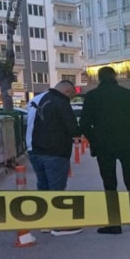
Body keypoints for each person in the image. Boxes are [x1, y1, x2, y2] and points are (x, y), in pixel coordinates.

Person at [80, 66, 130, 234]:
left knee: (109, 184)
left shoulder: (92, 96)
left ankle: (115, 224)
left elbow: (84, 124)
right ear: (115, 76)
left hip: (104, 146)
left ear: (99, 77)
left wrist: (95, 139)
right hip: (127, 144)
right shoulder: (129, 95)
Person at [27, 80, 82, 236]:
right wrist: (79, 133)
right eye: (71, 96)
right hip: (55, 152)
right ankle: (59, 226)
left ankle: (45, 223)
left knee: (43, 187)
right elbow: (72, 128)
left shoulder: (36, 99)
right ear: (67, 92)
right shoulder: (61, 103)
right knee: (57, 188)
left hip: (34, 151)